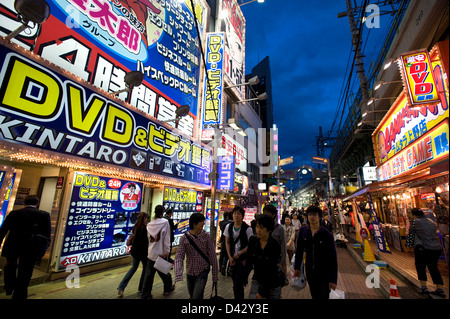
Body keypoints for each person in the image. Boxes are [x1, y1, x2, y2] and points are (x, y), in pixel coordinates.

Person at [0, 195, 51, 300]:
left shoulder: (14, 213)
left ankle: (9, 286)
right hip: (31, 247)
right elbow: (47, 234)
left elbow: (3, 230)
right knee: (26, 271)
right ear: (37, 204)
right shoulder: (44, 215)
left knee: (10, 266)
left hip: (13, 245)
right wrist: (44, 248)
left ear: (24, 203)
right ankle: (20, 294)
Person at [294, 205, 338, 299]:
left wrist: (333, 279)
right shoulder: (303, 231)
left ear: (320, 217)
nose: (312, 217)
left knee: (323, 295)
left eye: (314, 215)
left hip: (324, 272)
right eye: (309, 215)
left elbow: (333, 258)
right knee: (314, 294)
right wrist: (297, 267)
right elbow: (299, 250)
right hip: (309, 270)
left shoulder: (327, 235)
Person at [174, 213, 219, 299]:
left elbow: (213, 256)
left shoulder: (206, 237)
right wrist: (178, 273)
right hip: (190, 271)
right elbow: (179, 256)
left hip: (202, 271)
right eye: (201, 221)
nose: (203, 223)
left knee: (196, 297)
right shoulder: (184, 238)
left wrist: (215, 275)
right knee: (193, 296)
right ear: (194, 224)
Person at [410, 208, 446, 298]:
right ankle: (440, 288)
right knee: (434, 267)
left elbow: (411, 234)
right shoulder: (431, 221)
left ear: (414, 215)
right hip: (436, 248)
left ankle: (424, 287)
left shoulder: (415, 222)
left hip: (423, 248)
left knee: (420, 266)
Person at [141, 205, 174, 299]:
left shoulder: (150, 224)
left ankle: (145, 294)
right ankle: (167, 289)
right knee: (164, 273)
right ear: (162, 212)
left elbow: (148, 239)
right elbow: (167, 238)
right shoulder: (165, 222)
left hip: (151, 254)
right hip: (161, 253)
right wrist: (167, 250)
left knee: (149, 276)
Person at [244, 214, 282, 299]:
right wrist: (244, 276)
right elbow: (249, 260)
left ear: (268, 229)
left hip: (272, 283)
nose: (258, 230)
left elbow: (271, 269)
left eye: (262, 228)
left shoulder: (274, 245)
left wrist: (261, 292)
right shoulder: (253, 241)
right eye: (257, 227)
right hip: (257, 279)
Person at [117, 212, 149, 297]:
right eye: (146, 219)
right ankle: (141, 288)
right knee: (145, 269)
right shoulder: (144, 228)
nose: (147, 220)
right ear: (144, 219)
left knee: (133, 268)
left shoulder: (136, 227)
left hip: (134, 252)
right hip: (142, 253)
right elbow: (145, 242)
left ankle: (121, 287)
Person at [224, 206, 253, 299]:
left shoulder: (248, 229)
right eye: (235, 213)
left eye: (239, 214)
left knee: (238, 282)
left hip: (243, 260)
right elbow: (227, 242)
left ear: (242, 216)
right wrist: (229, 256)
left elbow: (251, 245)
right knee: (235, 281)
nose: (236, 216)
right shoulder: (228, 227)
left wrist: (240, 252)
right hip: (232, 259)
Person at [263, 204, 287, 272]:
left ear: (273, 215)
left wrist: (282, 262)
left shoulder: (279, 228)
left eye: (268, 213)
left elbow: (283, 245)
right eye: (265, 213)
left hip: (276, 260)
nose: (266, 215)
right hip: (263, 259)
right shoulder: (261, 227)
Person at [218, 211, 231, 276]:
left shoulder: (221, 223)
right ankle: (229, 269)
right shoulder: (231, 224)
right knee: (229, 255)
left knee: (223, 255)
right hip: (229, 241)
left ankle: (222, 266)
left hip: (223, 240)